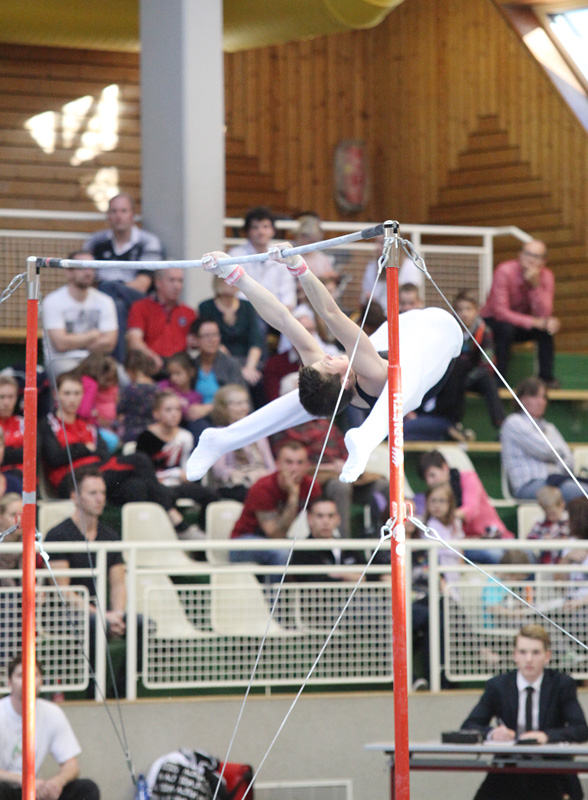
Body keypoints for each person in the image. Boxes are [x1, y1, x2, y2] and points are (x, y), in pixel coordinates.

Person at [186, 245, 462, 485]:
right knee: (398, 378)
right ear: (345, 380)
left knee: (309, 397)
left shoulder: (341, 374)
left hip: (403, 327)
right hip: (442, 335)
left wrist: (236, 276)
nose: (327, 357)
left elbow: (283, 319)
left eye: (323, 362)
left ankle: (222, 439)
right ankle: (367, 438)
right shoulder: (371, 372)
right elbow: (330, 313)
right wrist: (299, 268)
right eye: (328, 365)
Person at [461, 625, 588, 800]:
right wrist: (492, 733)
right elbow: (469, 725)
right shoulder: (497, 686)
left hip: (550, 767)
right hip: (508, 767)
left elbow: (581, 729)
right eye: (523, 652)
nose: (528, 659)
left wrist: (546, 736)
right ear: (515, 655)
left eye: (535, 653)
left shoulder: (562, 685)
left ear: (547, 656)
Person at [44, 468, 134, 694]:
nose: (100, 498)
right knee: (95, 625)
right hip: (62, 615)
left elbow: (118, 584)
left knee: (142, 625)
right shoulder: (58, 535)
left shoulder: (110, 535)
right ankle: (94, 693)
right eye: (92, 493)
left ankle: (120, 692)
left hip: (100, 614)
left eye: (102, 492)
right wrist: (102, 616)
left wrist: (118, 614)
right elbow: (63, 592)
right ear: (75, 497)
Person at [0, 653, 100, 800]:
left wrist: (56, 783)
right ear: (9, 682)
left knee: (87, 788)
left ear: (41, 681)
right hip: (8, 789)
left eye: (34, 675)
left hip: (36, 791)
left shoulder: (52, 713)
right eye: (21, 676)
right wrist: (24, 781)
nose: (28, 681)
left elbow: (72, 765)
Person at [272, 418, 389, 539]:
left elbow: (348, 452)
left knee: (383, 485)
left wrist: (346, 463)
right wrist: (328, 467)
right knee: (341, 486)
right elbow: (296, 461)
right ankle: (343, 544)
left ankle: (385, 537)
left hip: (344, 472)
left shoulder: (328, 426)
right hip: (318, 476)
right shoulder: (288, 427)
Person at [84, 192, 165, 362]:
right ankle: (118, 364)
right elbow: (87, 278)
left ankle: (115, 363)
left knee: (108, 288)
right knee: (116, 305)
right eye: (114, 211)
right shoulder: (95, 242)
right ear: (108, 216)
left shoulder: (148, 241)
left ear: (133, 215)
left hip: (137, 299)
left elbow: (142, 285)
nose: (118, 216)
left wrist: (109, 288)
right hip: (105, 298)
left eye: (123, 211)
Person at [229, 441, 321, 578]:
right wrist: (293, 495)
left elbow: (319, 518)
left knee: (312, 550)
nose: (294, 468)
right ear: (278, 464)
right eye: (289, 462)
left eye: (300, 462)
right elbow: (275, 535)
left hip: (278, 540)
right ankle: (276, 593)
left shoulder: (311, 486)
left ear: (307, 466)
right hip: (243, 541)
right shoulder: (263, 487)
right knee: (281, 553)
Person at [135, 390, 219, 532]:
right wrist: (175, 473)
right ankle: (180, 532)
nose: (174, 414)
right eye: (168, 410)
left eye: (178, 409)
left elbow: (186, 471)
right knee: (165, 496)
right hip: (157, 487)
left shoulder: (185, 437)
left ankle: (202, 532)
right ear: (156, 413)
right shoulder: (146, 437)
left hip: (178, 484)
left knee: (211, 494)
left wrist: (183, 475)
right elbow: (144, 471)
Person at [481, 240, 560, 386]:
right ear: (519, 255)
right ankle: (499, 380)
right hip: (492, 322)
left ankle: (546, 379)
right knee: (506, 329)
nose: (531, 259)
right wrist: (535, 322)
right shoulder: (504, 271)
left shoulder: (547, 276)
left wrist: (535, 286)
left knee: (546, 329)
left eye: (536, 256)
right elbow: (500, 312)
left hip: (519, 323)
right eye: (527, 254)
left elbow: (545, 313)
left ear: (544, 261)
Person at [501, 377, 588, 502]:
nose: (541, 402)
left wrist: (556, 455)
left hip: (558, 480)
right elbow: (546, 450)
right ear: (522, 399)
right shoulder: (514, 422)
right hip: (528, 485)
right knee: (581, 492)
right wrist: (559, 455)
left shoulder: (549, 427)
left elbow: (569, 460)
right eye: (535, 397)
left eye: (543, 397)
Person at [418, 450, 512, 563]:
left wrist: (445, 513)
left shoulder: (468, 478)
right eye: (426, 478)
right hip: (463, 543)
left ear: (445, 468)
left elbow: (470, 510)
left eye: (432, 475)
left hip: (494, 536)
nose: (429, 481)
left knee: (522, 554)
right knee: (495, 555)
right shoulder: (431, 495)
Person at [430, 289, 505, 431]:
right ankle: (451, 422)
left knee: (489, 381)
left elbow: (486, 363)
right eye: (460, 310)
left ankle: (499, 421)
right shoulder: (449, 330)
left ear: (476, 311)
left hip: (473, 376)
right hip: (453, 376)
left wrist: (469, 379)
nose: (464, 314)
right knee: (454, 373)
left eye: (468, 309)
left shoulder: (484, 331)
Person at [41, 253, 118, 378]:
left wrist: (72, 341)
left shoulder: (105, 301)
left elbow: (109, 343)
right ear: (68, 272)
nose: (88, 272)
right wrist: (93, 336)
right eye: (82, 267)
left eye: (92, 267)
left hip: (96, 360)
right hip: (62, 360)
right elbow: (60, 344)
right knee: (73, 381)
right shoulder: (52, 301)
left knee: (121, 377)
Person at [208, 385, 275, 503]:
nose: (244, 407)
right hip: (235, 485)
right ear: (224, 408)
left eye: (245, 402)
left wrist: (261, 474)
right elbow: (219, 471)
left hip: (260, 480)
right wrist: (245, 476)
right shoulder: (219, 435)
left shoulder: (258, 432)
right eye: (238, 404)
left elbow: (271, 466)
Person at [198, 276, 264, 395]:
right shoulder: (206, 307)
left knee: (258, 380)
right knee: (229, 378)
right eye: (226, 279)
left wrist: (250, 367)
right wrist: (237, 369)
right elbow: (213, 341)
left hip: (247, 360)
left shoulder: (247, 306)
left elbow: (256, 340)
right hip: (220, 359)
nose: (231, 283)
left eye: (233, 278)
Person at [126, 268, 196, 375]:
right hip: (150, 366)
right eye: (172, 280)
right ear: (158, 283)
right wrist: (151, 357)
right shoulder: (140, 307)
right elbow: (134, 340)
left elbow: (194, 342)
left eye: (180, 281)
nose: (177, 286)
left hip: (180, 370)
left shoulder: (189, 312)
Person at [229, 206, 296, 311]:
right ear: (247, 231)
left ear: (273, 231)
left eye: (265, 227)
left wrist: (283, 313)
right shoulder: (235, 255)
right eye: (255, 227)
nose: (260, 232)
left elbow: (288, 293)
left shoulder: (282, 254)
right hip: (245, 311)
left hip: (277, 311)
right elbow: (234, 290)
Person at [289, 498, 365, 581]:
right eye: (320, 516)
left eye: (330, 516)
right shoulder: (302, 550)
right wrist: (350, 577)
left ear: (338, 519)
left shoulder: (348, 547)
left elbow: (367, 576)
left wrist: (340, 574)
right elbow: (311, 580)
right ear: (309, 519)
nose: (325, 521)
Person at [189, 319, 248, 406]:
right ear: (195, 339)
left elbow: (240, 399)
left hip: (225, 413)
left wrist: (208, 408)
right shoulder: (191, 364)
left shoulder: (231, 364)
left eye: (215, 335)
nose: (211, 340)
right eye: (206, 336)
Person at [360, 235, 424, 313]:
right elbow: (365, 296)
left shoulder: (410, 266)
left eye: (382, 243)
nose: (377, 247)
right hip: (378, 314)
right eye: (376, 242)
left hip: (401, 312)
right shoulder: (372, 266)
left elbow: (410, 296)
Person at [116, 350, 157, 443]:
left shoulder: (130, 390)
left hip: (132, 433)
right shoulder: (156, 388)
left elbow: (119, 410)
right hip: (152, 432)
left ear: (130, 370)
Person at [528, 486, 570, 564]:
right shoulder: (540, 523)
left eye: (553, 514)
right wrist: (542, 540)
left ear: (562, 504)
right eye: (547, 514)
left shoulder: (569, 522)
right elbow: (530, 539)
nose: (550, 518)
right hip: (544, 562)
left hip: (564, 562)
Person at [0, 377, 24, 484]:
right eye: (1, 397)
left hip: (25, 478)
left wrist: (7, 451)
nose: (6, 402)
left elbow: (33, 454)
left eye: (11, 397)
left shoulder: (23, 422)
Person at [0, 493, 23, 587]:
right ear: (0, 517)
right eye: (14, 515)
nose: (20, 520)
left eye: (23, 514)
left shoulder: (31, 540)